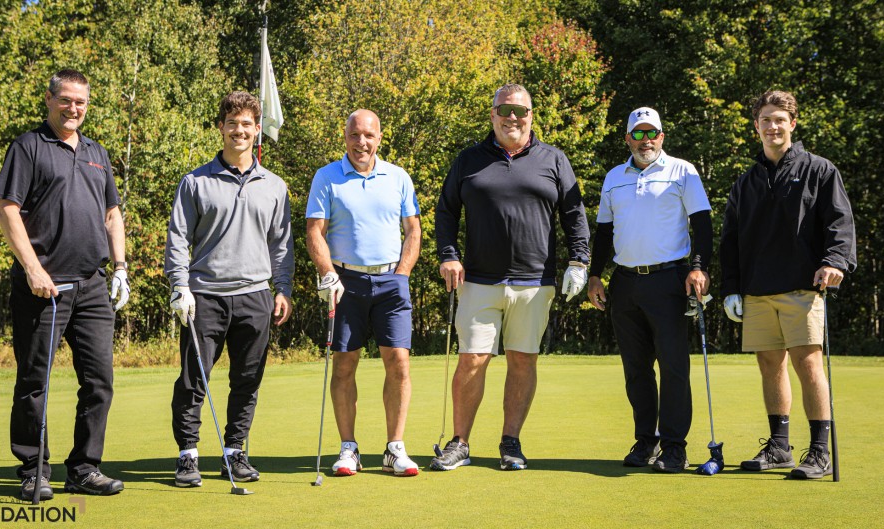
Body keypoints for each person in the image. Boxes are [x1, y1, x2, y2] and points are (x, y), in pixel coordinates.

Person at [431, 83, 590, 472]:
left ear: (531, 116)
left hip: (534, 282)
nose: (512, 118)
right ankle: (460, 443)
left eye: (520, 111)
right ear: (493, 115)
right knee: (472, 360)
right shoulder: (469, 160)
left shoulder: (554, 160)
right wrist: (448, 255)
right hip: (479, 281)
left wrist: (580, 261)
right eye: (505, 110)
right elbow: (446, 211)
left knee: (522, 360)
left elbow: (574, 214)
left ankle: (511, 442)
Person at [0, 69, 129, 500]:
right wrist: (32, 269)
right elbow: (8, 210)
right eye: (66, 100)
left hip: (92, 286)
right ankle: (33, 469)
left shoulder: (96, 152)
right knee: (35, 382)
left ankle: (84, 469)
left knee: (99, 382)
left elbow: (112, 215)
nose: (74, 108)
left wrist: (121, 267)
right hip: (44, 288)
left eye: (80, 102)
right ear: (49, 99)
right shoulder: (28, 146)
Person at [720, 90, 855, 480]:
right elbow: (731, 240)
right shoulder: (745, 182)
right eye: (765, 119)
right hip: (758, 288)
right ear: (756, 126)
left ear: (792, 123)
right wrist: (731, 287)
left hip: (802, 285)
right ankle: (779, 448)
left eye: (779, 119)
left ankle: (820, 452)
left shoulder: (819, 170)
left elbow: (839, 222)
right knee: (769, 365)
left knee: (807, 363)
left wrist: (834, 262)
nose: (772, 126)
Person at [165, 91, 294, 487]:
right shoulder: (195, 182)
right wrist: (179, 285)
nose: (240, 130)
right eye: (232, 123)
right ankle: (188, 455)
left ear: (257, 131)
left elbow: (281, 244)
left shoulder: (274, 186)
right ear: (221, 128)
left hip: (255, 296)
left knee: (247, 380)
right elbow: (178, 238)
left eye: (247, 124)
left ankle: (234, 451)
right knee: (194, 379)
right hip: (204, 296)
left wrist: (283, 288)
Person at [586, 107, 712, 473]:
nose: (646, 140)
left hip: (669, 279)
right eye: (638, 134)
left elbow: (702, 224)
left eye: (651, 133)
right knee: (636, 368)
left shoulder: (683, 171)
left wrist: (699, 267)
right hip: (625, 283)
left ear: (662, 136)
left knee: (674, 367)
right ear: (628, 138)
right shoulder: (614, 177)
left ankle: (674, 447)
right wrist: (595, 275)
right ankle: (646, 441)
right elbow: (604, 232)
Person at [305, 109, 422, 477]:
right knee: (344, 363)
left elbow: (413, 230)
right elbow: (314, 231)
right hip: (346, 282)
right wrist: (328, 273)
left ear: (379, 138)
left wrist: (402, 275)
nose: (361, 142)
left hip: (391, 282)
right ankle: (349, 448)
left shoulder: (398, 177)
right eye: (355, 135)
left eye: (369, 135)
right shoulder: (327, 177)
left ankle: (394, 449)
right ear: (345, 137)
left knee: (399, 362)